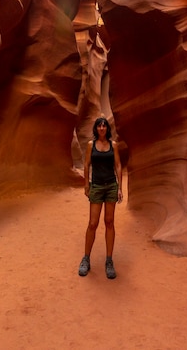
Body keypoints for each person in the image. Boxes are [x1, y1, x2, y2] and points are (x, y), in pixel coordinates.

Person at [78, 116, 123, 279]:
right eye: (99, 126)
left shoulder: (113, 145)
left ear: (107, 128)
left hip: (111, 186)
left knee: (109, 222)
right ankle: (86, 258)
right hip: (96, 186)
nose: (102, 128)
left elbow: (118, 164)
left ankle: (109, 261)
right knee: (92, 223)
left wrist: (120, 187)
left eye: (104, 125)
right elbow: (86, 164)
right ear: (96, 129)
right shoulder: (91, 145)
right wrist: (86, 184)